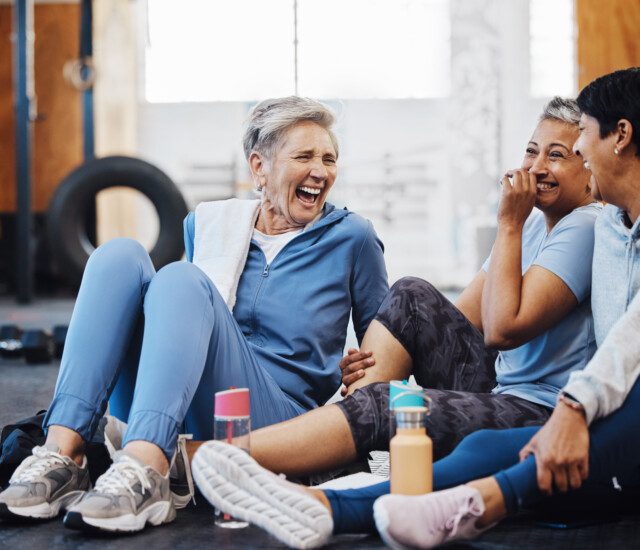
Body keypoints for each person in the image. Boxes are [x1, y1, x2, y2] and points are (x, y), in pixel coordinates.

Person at [191, 68, 640, 550]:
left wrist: (507, 223)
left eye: (561, 155)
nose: (536, 167)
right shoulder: (555, 226)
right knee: (409, 295)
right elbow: (461, 319)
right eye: (532, 152)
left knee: (388, 406)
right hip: (504, 385)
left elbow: (502, 329)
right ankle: (343, 433)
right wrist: (377, 353)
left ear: (602, 154)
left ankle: (214, 457)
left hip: (539, 403)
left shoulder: (586, 225)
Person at [0, 96, 389, 533]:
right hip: (180, 401)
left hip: (275, 418)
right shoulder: (207, 224)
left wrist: (363, 371)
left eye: (329, 158)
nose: (321, 171)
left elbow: (388, 346)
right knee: (119, 255)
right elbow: (181, 325)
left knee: (182, 279)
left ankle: (148, 467)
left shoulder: (352, 237)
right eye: (304, 156)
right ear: (259, 167)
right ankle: (62, 454)